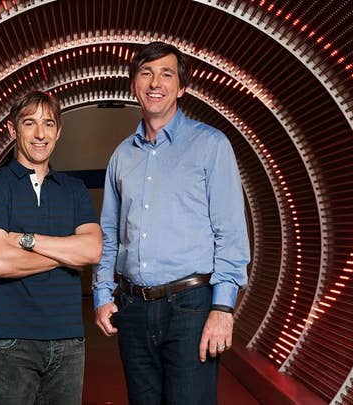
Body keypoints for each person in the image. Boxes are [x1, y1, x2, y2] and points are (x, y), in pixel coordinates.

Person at [93, 42, 250, 404]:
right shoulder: (121, 156)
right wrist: (102, 293)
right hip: (132, 309)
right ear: (133, 84)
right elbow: (111, 233)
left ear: (181, 87)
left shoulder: (210, 145)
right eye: (146, 73)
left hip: (190, 308)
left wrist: (222, 309)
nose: (155, 82)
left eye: (166, 74)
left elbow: (230, 233)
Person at [0, 90, 102, 405]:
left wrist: (25, 240)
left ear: (59, 131)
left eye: (48, 124)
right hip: (11, 341)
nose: (40, 134)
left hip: (69, 341)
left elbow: (93, 251)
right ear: (13, 130)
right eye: (30, 124)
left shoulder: (75, 190)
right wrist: (67, 254)